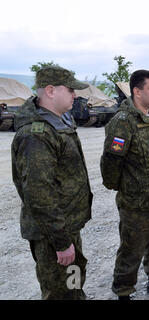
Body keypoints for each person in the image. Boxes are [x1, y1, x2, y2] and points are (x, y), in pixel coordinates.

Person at [11, 66, 92, 299]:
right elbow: (39, 194)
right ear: (50, 91)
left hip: (66, 225)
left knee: (73, 281)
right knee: (60, 291)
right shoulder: (36, 134)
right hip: (52, 234)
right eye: (70, 90)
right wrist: (61, 242)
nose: (75, 96)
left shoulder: (59, 122)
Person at [100, 69, 149, 300]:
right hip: (135, 203)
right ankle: (124, 292)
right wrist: (123, 188)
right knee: (131, 251)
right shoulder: (123, 122)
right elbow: (111, 161)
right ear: (137, 91)